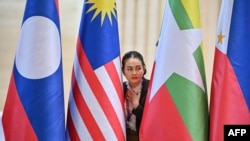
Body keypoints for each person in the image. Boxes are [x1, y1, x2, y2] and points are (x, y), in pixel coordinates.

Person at [121, 51, 150, 141]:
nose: (134, 73)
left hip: (144, 137)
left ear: (144, 69)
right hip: (123, 135)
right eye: (129, 69)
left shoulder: (151, 88)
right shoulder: (119, 88)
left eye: (138, 68)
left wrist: (136, 105)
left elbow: (153, 121)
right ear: (123, 71)